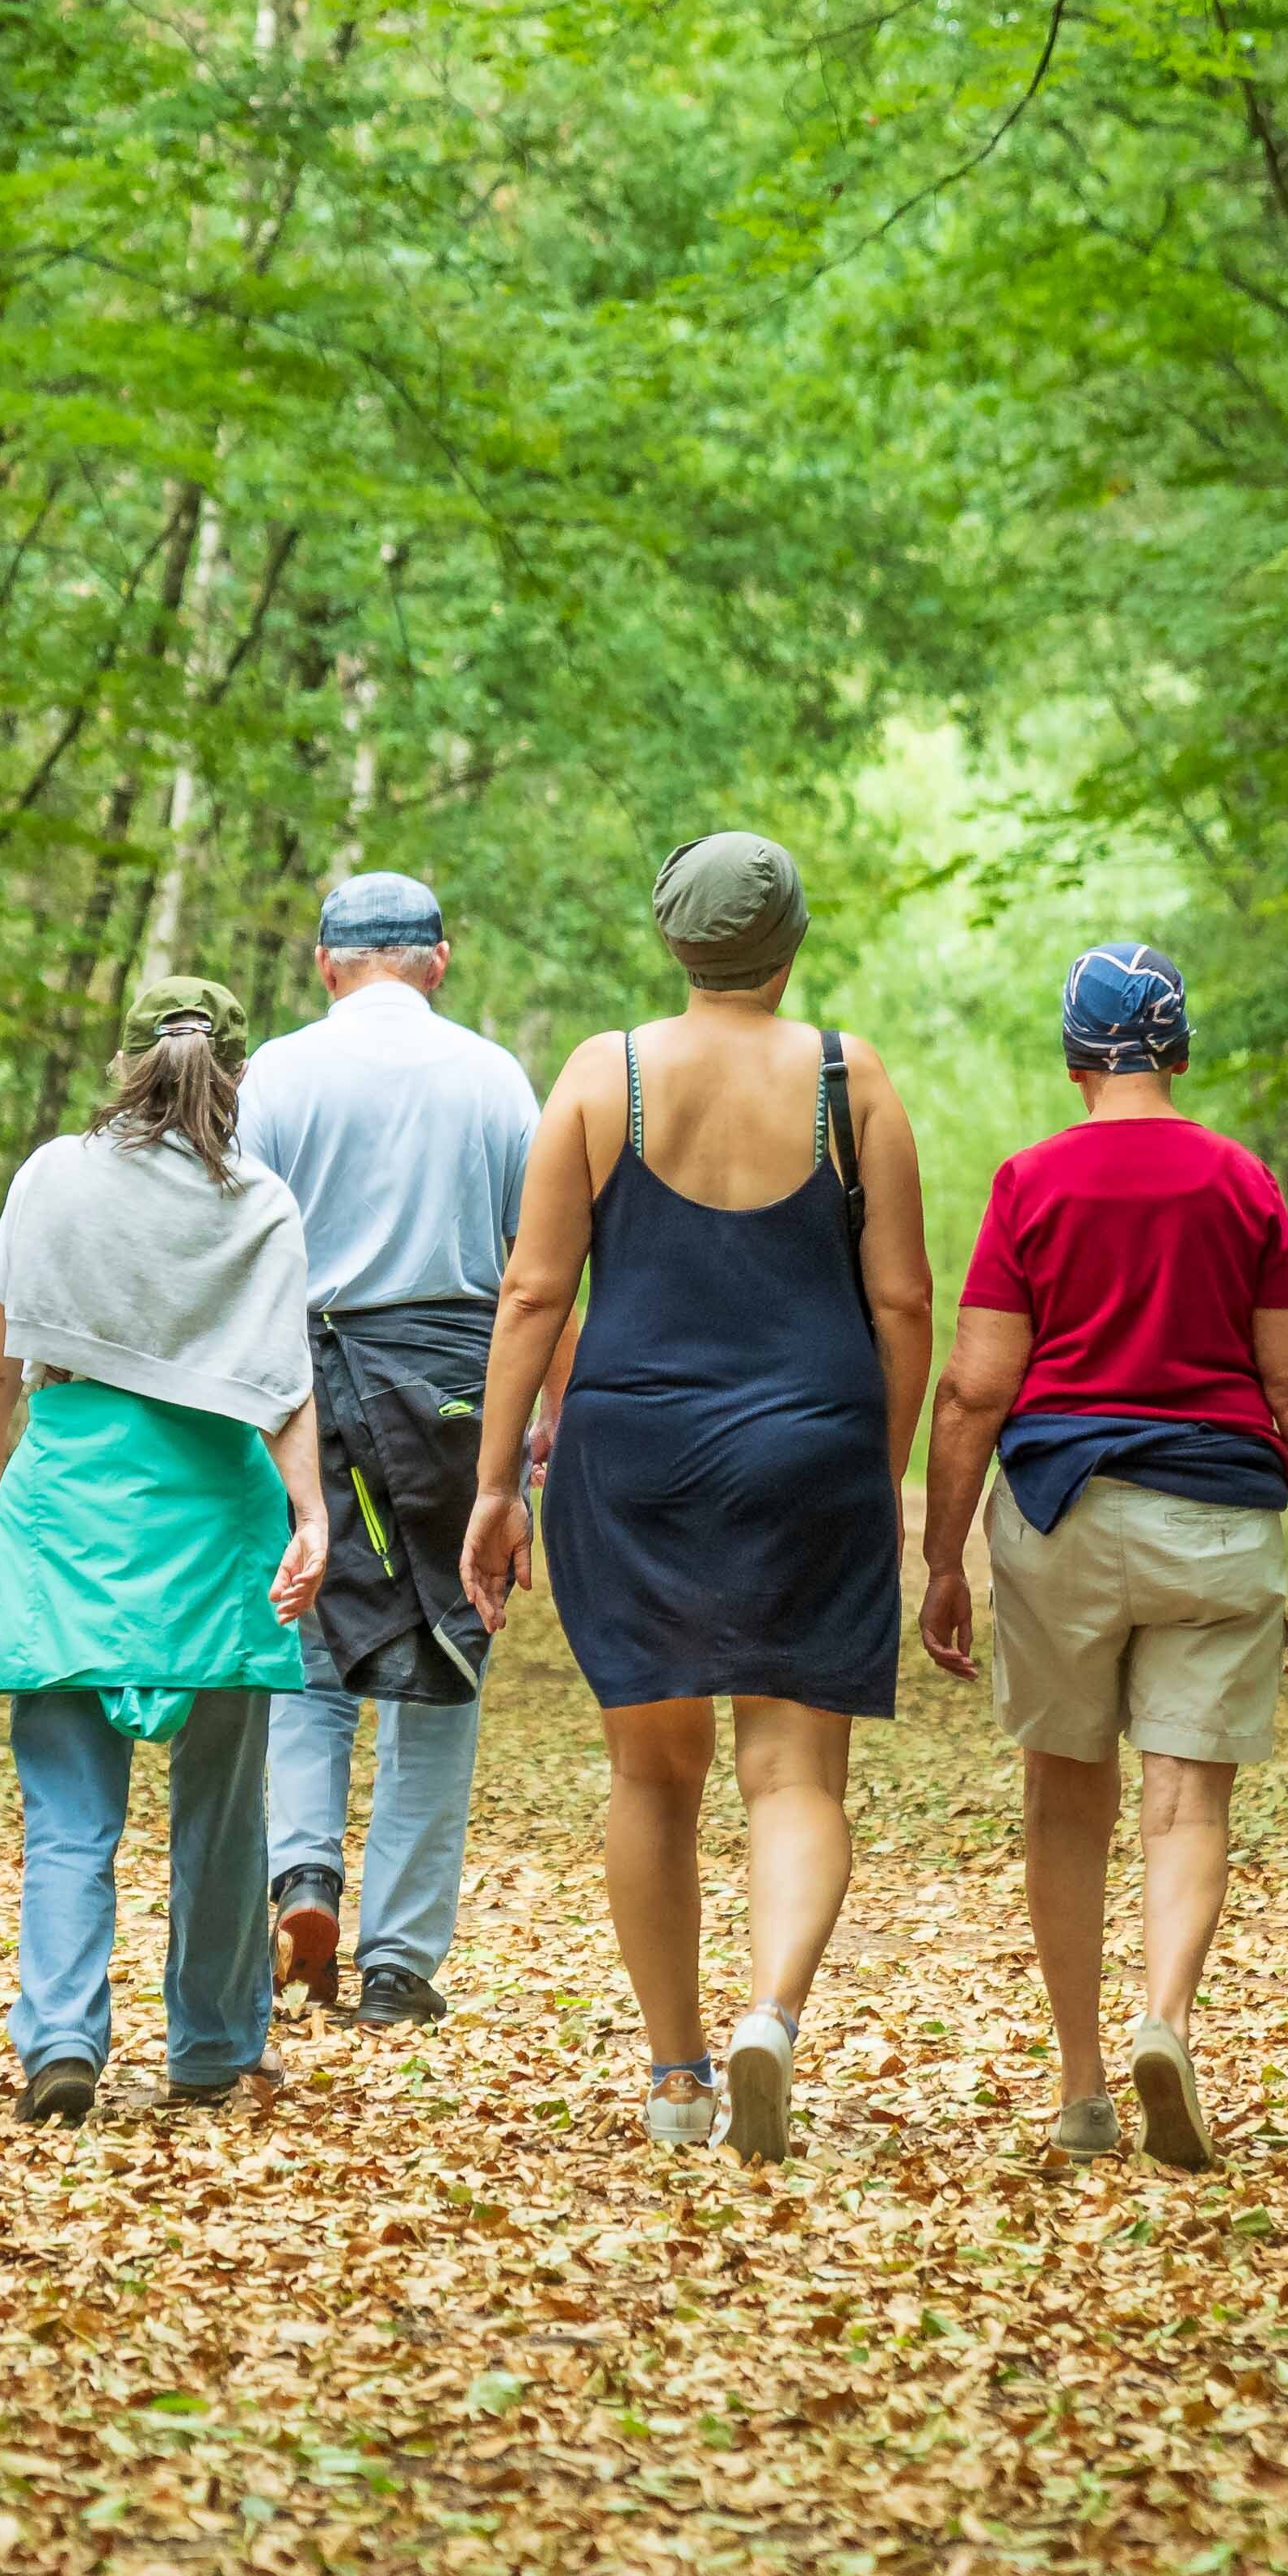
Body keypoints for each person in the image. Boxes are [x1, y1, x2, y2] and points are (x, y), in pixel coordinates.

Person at [465, 831, 929, 2162]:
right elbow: (903, 1298)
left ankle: (677, 2081)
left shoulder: (603, 1076)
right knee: (794, 1779)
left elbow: (535, 1295)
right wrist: (875, 1469)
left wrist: (499, 1481)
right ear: (788, 946)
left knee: (652, 1776)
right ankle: (770, 2018)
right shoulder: (852, 1079)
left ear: (677, 941)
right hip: (812, 1448)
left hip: (636, 1457)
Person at [918, 942, 1288, 2172]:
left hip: (1062, 1515)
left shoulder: (1030, 1184)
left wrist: (945, 1557)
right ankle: (1167, 2016)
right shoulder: (1242, 1183)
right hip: (1217, 1521)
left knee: (1067, 1794)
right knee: (1185, 1794)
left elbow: (974, 1389)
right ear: (1179, 1048)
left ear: (1073, 1057)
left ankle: (1084, 2085)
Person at [0, 975, 335, 2123]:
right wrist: (311, 1518)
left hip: (69, 1507)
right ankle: (211, 2046)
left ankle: (61, 2041)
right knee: (223, 1808)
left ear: (126, 1066)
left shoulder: (49, 1178)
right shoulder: (259, 1200)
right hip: (216, 1519)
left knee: (69, 1810)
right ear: (238, 1074)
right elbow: (283, 1391)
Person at [238, 867, 535, 2024]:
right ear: (438, 962)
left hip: (305, 1378)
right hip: (461, 1388)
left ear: (324, 965)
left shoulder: (274, 1073)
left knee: (306, 1635)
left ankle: (304, 1870)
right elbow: (535, 1270)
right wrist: (534, 1435)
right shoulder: (497, 1078)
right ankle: (400, 1962)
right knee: (449, 1661)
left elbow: (241, 1247)